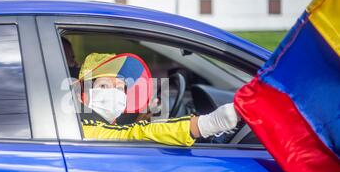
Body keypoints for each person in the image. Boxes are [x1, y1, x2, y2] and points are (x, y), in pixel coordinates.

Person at [77, 52, 239, 146]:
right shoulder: (81, 128)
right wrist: (208, 123)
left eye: (120, 88)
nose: (114, 94)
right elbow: (135, 134)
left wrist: (143, 116)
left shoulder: (103, 122)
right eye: (104, 86)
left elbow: (121, 129)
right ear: (81, 95)